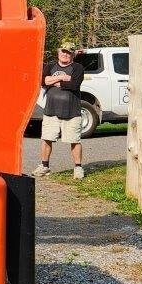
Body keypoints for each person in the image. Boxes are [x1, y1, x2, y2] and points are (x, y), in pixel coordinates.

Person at [34, 38, 85, 179]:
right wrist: (63, 77)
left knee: (75, 140)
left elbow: (74, 85)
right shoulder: (50, 66)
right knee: (46, 138)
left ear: (73, 54)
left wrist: (53, 81)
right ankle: (44, 166)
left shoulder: (78, 68)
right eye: (63, 51)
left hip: (72, 111)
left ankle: (78, 168)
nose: (65, 54)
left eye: (68, 53)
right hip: (51, 110)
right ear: (58, 52)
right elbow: (43, 81)